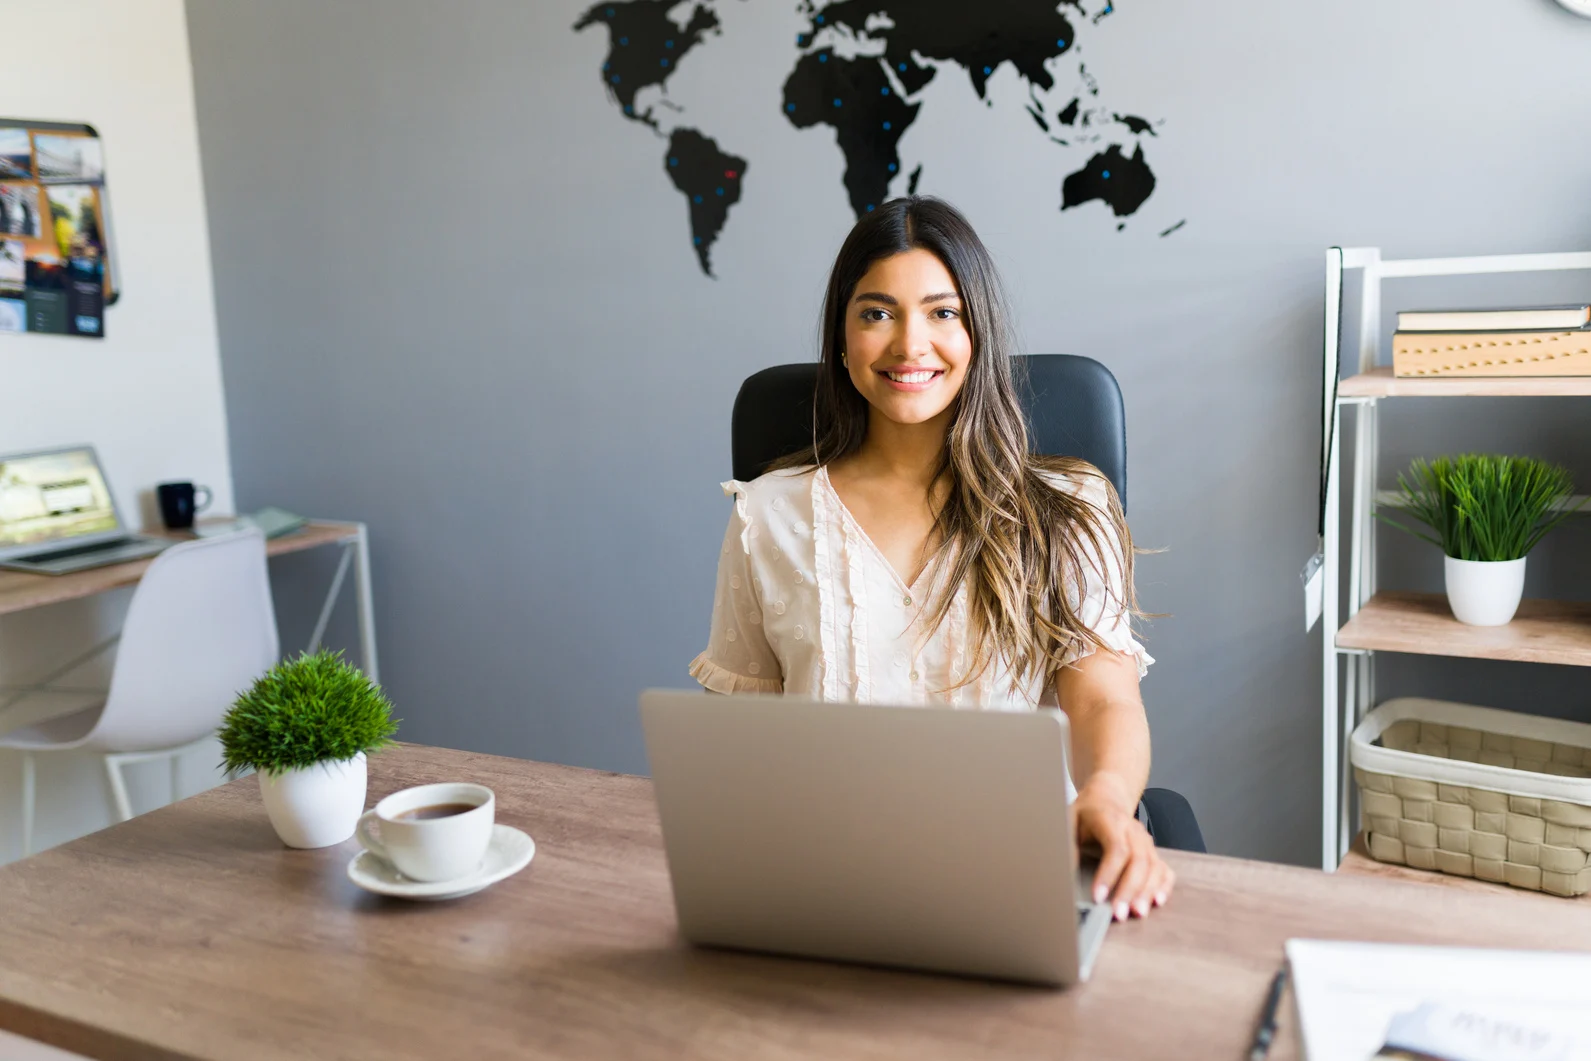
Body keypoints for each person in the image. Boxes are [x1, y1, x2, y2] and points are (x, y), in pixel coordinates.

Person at [691, 196, 1189, 921]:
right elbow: (737, 739)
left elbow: (1104, 695)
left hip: (1022, 871)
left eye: (941, 312)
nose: (908, 345)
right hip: (824, 879)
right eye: (875, 313)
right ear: (840, 336)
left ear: (977, 331)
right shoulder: (768, 512)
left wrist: (1105, 797)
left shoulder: (1066, 504)